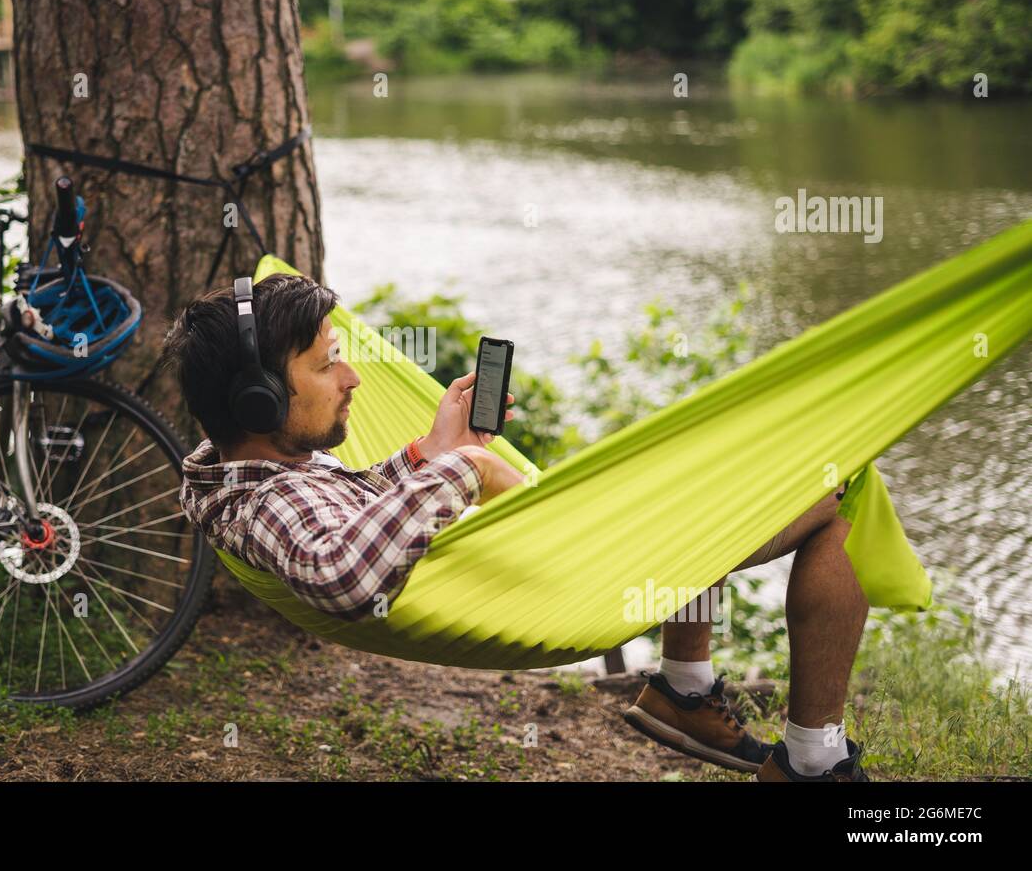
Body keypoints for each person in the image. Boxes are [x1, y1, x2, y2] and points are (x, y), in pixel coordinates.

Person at [162, 272, 869, 782]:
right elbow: (343, 572)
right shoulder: (269, 508)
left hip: (551, 564)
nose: (352, 379)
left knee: (705, 488)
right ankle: (811, 760)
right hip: (574, 581)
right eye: (327, 364)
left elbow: (346, 509)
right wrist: (469, 470)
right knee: (831, 497)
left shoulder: (251, 477)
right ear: (258, 402)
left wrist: (428, 452)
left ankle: (686, 689)